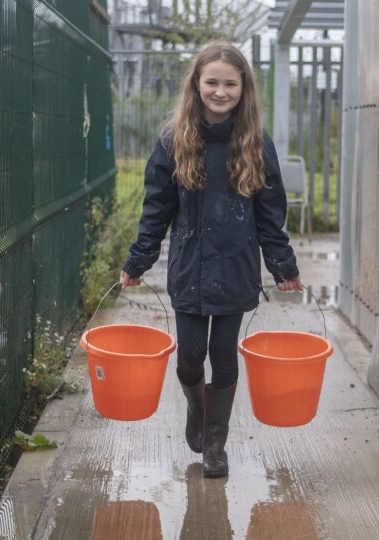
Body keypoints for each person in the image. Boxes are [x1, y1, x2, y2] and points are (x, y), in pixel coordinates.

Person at [119, 41, 303, 479]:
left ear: (244, 88)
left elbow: (270, 213)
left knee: (223, 353)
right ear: (197, 84)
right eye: (212, 82)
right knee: (189, 356)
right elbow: (156, 209)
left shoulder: (256, 143)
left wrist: (284, 267)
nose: (221, 91)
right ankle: (196, 409)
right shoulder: (173, 140)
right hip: (189, 267)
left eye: (230, 83)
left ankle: (215, 444)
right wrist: (138, 260)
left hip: (236, 266)